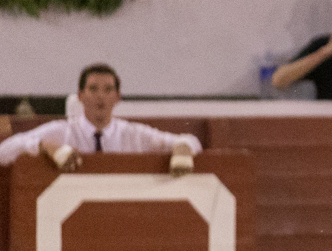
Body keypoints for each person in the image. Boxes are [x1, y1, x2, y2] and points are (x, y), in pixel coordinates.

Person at [0, 64, 201, 176]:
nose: (100, 96)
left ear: (117, 97)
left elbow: (189, 141)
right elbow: (3, 152)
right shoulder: (62, 131)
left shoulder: (133, 134)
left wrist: (183, 148)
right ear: (80, 95)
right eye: (93, 89)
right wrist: (44, 146)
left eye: (108, 90)